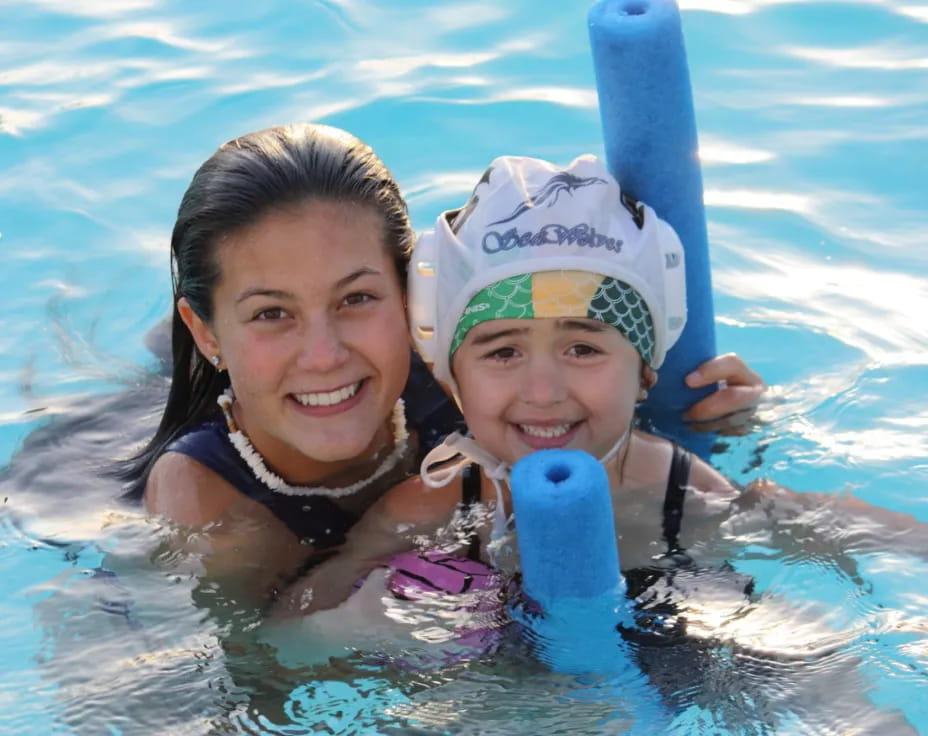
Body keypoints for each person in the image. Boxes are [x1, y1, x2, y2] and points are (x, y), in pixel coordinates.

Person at [123, 123, 765, 609]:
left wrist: (718, 424)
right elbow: (252, 683)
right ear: (207, 334)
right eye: (272, 313)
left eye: (356, 298)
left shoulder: (468, 362)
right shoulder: (212, 516)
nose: (325, 353)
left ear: (417, 299)